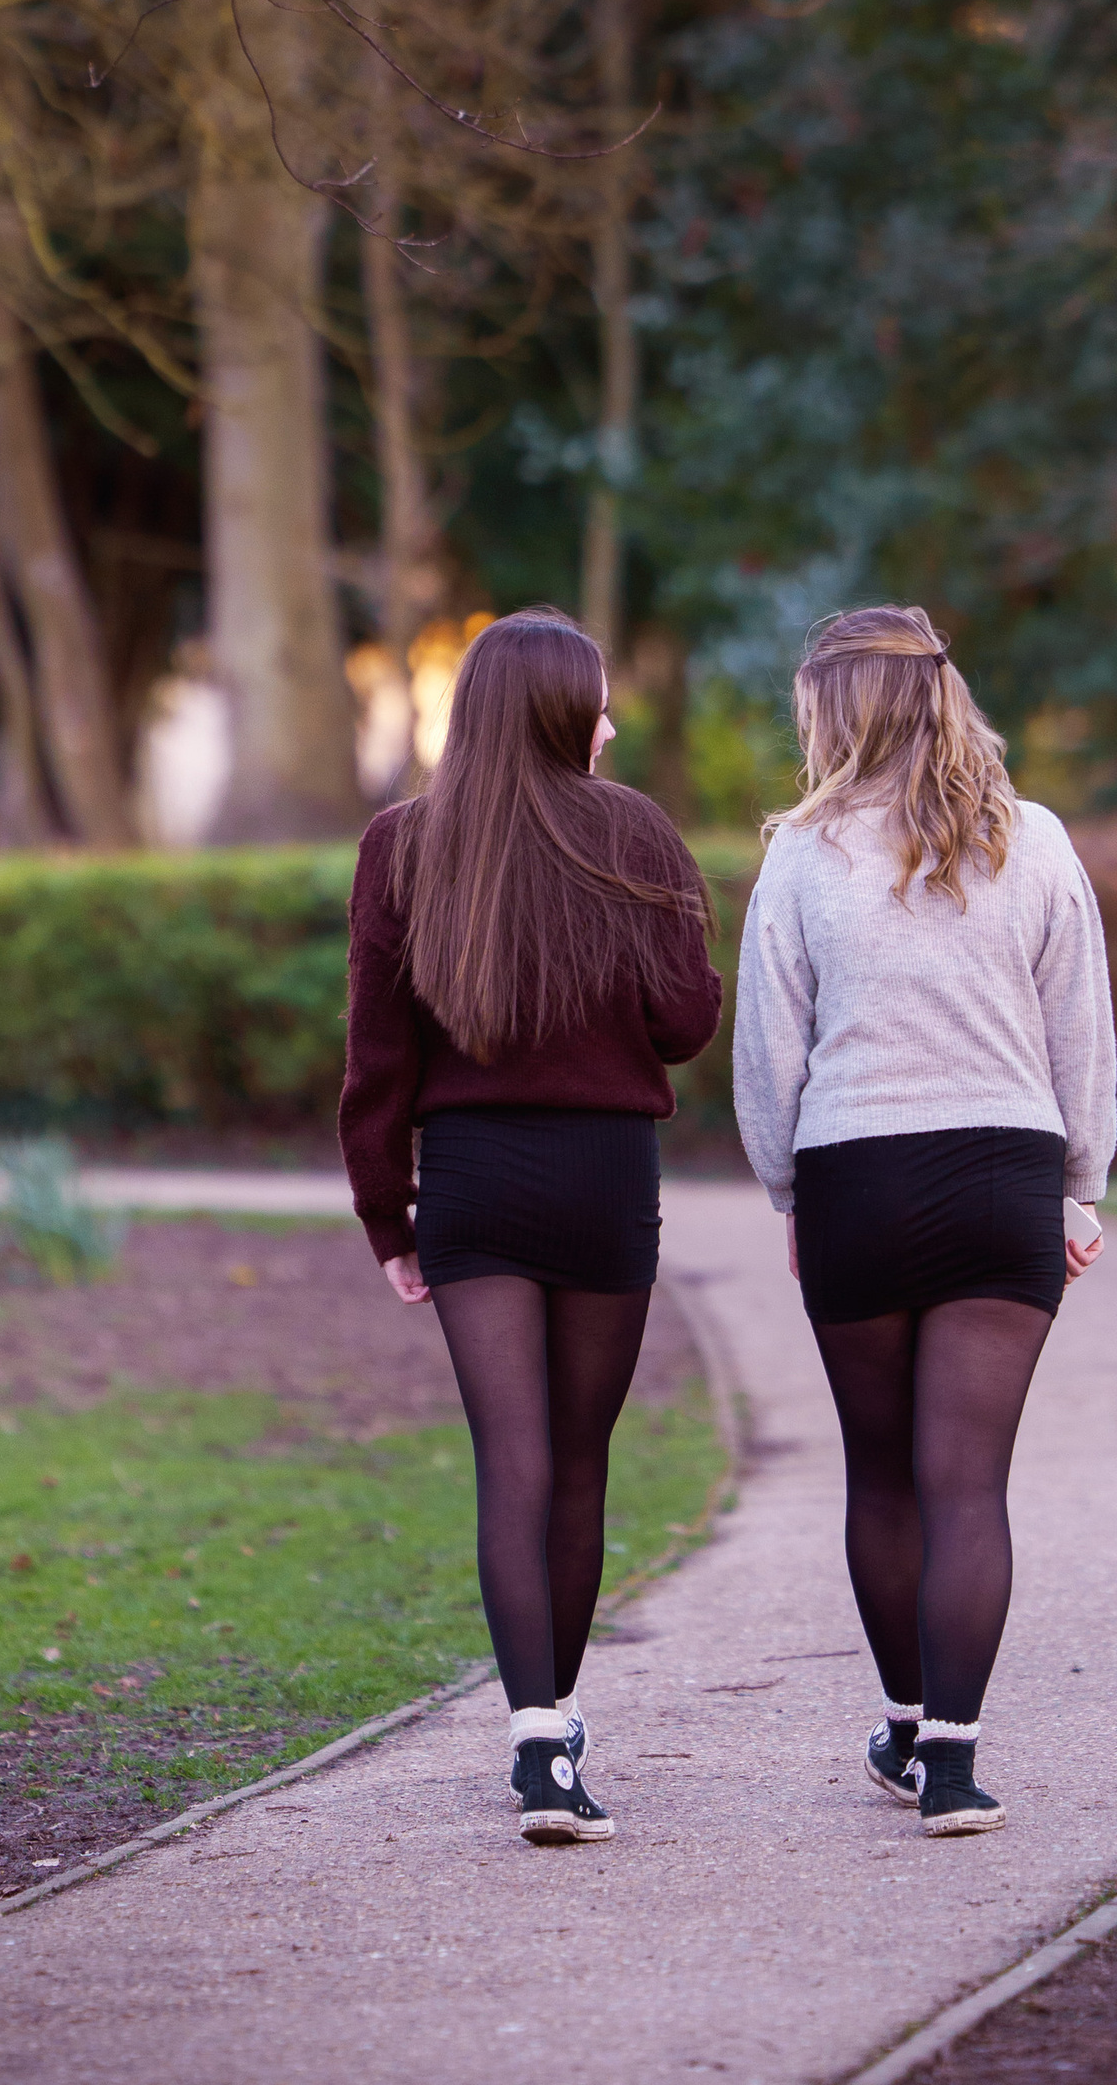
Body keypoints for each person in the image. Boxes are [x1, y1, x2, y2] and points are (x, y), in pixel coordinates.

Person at [340, 608, 723, 1846]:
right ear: (564, 711)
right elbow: (681, 1023)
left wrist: (384, 1213)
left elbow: (376, 1059)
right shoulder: (638, 834)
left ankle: (538, 1743)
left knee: (510, 1458)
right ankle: (557, 1726)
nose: (611, 721)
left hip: (472, 1180)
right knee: (578, 1459)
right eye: (600, 700)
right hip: (605, 1177)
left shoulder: (404, 845)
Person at [732, 605, 1116, 1837]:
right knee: (969, 1484)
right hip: (1003, 1174)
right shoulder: (1038, 842)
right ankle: (950, 1760)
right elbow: (1079, 1029)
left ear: (834, 712)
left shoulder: (800, 855)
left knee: (883, 1474)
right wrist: (1079, 1181)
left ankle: (904, 1721)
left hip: (859, 1174)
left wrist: (787, 1187)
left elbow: (768, 1053)